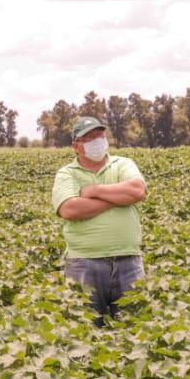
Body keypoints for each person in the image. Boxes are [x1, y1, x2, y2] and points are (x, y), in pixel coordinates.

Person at [52, 116, 148, 324]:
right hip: (83, 264)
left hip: (128, 261)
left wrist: (94, 191)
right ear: (75, 146)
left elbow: (137, 190)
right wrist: (117, 200)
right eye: (88, 137)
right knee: (83, 331)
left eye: (100, 135)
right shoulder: (67, 174)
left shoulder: (123, 164)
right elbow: (69, 208)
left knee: (137, 330)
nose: (97, 141)